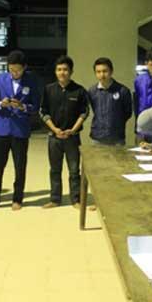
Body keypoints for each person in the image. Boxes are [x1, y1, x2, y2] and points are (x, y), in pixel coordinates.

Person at [0, 50, 40, 211]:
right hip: (1, 128)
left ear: (24, 67)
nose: (14, 73)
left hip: (20, 130)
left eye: (18, 70)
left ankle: (17, 199)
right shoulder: (1, 79)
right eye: (11, 69)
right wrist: (0, 104)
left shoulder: (31, 81)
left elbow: (36, 106)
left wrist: (23, 106)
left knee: (19, 167)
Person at [40, 56, 89, 209]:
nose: (62, 72)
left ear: (71, 71)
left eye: (65, 69)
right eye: (59, 69)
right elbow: (43, 111)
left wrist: (73, 129)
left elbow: (84, 112)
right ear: (55, 72)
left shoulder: (79, 90)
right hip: (54, 137)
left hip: (72, 138)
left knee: (74, 170)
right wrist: (54, 129)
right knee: (55, 170)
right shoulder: (48, 89)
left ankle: (76, 199)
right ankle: (55, 199)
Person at [88, 57, 132, 145]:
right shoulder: (92, 91)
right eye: (98, 72)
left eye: (105, 71)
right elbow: (94, 110)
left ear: (111, 71)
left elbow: (128, 113)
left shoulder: (123, 90)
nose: (102, 75)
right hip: (97, 138)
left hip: (117, 138)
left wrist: (116, 123)